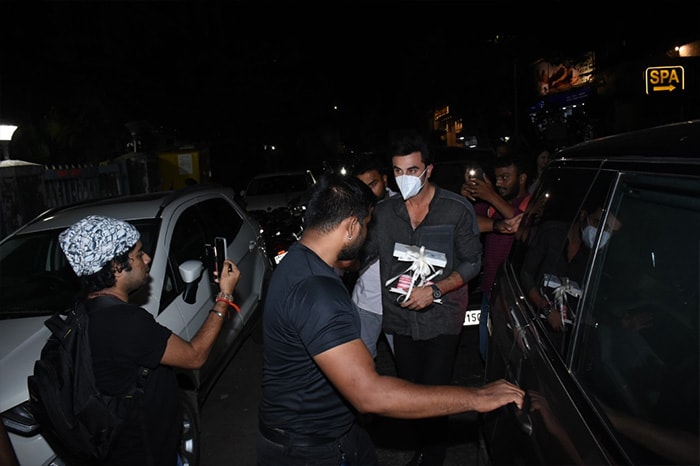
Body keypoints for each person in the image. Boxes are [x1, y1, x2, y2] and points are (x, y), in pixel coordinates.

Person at [257, 174, 524, 466]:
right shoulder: (318, 291)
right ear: (350, 227)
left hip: (326, 435)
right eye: (368, 224)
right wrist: (477, 398)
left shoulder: (295, 263)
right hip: (312, 449)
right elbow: (369, 394)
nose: (369, 233)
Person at [57, 215, 240, 466]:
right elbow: (194, 355)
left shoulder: (85, 309)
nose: (147, 259)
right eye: (139, 253)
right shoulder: (124, 322)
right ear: (116, 265)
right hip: (145, 453)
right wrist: (224, 296)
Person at [361, 131, 486, 466]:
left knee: (434, 391)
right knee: (412, 391)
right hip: (400, 318)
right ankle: (422, 448)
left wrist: (436, 290)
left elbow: (473, 261)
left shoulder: (456, 209)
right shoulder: (384, 213)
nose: (405, 179)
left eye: (412, 171)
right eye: (398, 172)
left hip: (442, 316)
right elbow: (359, 252)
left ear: (429, 170)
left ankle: (433, 457)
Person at [463, 155, 531, 362]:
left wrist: (491, 195)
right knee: (488, 351)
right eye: (497, 178)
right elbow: (467, 221)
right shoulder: (492, 206)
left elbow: (522, 226)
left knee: (515, 356)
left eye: (506, 177)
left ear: (522, 178)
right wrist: (465, 197)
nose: (500, 183)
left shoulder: (530, 203)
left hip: (517, 295)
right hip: (490, 291)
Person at [345, 155, 399, 358]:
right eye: (362, 187)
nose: (369, 192)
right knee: (360, 363)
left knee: (407, 365)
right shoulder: (354, 213)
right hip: (366, 303)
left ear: (385, 179)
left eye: (373, 183)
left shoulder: (405, 205)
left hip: (399, 303)